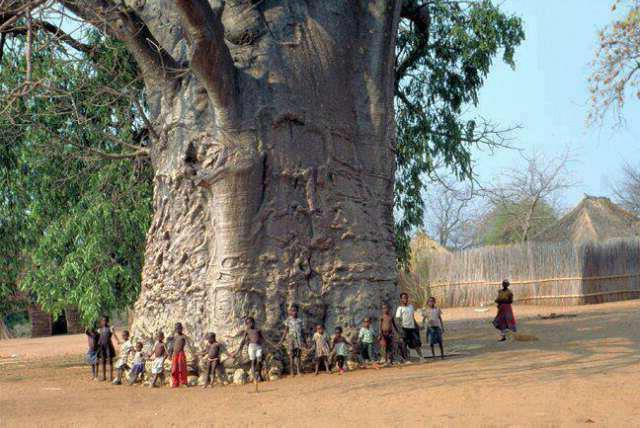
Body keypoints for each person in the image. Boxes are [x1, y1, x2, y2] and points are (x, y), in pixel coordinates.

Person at [233, 317, 264, 382]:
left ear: (254, 322)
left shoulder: (258, 330)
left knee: (259, 360)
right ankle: (254, 378)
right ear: (246, 324)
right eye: (248, 323)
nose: (250, 324)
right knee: (253, 362)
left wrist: (263, 342)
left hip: (258, 346)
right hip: (251, 346)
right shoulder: (247, 331)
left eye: (251, 322)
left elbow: (263, 338)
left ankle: (259, 374)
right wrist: (238, 351)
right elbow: (243, 340)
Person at [395, 293, 423, 359]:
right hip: (404, 328)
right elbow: (398, 320)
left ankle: (421, 357)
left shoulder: (411, 307)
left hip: (412, 328)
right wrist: (400, 330)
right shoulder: (400, 308)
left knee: (416, 343)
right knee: (405, 344)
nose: (405, 299)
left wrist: (417, 326)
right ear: (401, 299)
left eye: (406, 297)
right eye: (404, 298)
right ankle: (406, 359)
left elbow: (413, 318)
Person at [279, 305, 305, 376]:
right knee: (291, 355)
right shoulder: (288, 320)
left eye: (295, 310)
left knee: (298, 355)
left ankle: (298, 371)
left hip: (299, 339)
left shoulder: (300, 320)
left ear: (297, 311)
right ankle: (292, 372)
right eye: (292, 310)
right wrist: (281, 340)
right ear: (290, 312)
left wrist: (305, 341)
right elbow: (285, 331)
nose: (294, 312)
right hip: (291, 339)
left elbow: (302, 331)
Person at [97, 316, 116, 381]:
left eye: (105, 320)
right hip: (102, 347)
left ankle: (111, 376)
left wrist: (118, 340)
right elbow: (99, 338)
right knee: (103, 361)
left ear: (107, 321)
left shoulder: (110, 328)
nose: (104, 322)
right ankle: (104, 376)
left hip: (108, 346)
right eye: (102, 321)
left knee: (110, 361)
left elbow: (114, 334)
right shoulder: (100, 329)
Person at [170, 322, 189, 388]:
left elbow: (187, 345)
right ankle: (175, 382)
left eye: (179, 328)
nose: (178, 329)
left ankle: (183, 382)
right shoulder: (174, 337)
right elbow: (172, 346)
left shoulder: (183, 337)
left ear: (181, 328)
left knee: (182, 368)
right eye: (177, 328)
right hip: (175, 354)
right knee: (174, 369)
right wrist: (170, 354)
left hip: (181, 353)